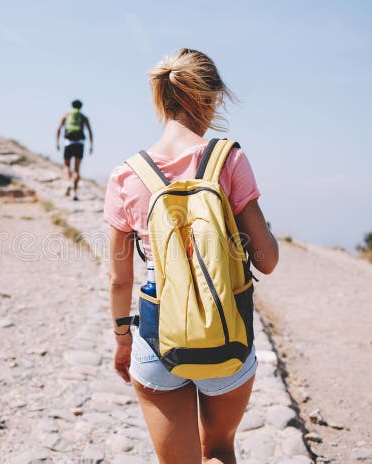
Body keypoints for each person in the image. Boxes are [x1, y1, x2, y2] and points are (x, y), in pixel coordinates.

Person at [103, 48, 279, 463]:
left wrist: (122, 341)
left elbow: (118, 280)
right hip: (227, 330)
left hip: (156, 334)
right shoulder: (228, 159)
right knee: (217, 448)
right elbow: (267, 261)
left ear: (160, 98)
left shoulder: (126, 175)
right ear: (210, 97)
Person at [56, 99, 94, 201]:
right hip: (80, 144)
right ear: (81, 107)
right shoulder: (83, 117)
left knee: (67, 166)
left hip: (68, 143)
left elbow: (59, 129)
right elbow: (90, 131)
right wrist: (91, 146)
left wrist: (58, 143)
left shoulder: (66, 115)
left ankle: (69, 182)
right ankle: (75, 193)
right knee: (77, 169)